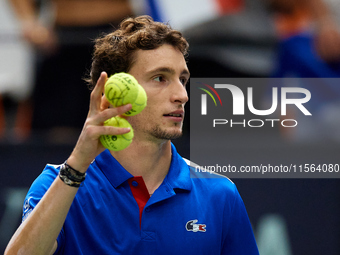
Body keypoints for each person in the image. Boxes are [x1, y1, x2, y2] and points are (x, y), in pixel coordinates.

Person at [5, 16, 259, 255]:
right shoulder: (57, 184)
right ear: (113, 93)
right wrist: (76, 167)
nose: (182, 95)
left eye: (182, 79)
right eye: (160, 78)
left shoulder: (220, 193)